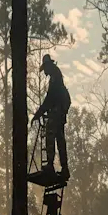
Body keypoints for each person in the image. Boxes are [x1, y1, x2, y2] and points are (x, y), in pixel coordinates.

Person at [32, 54, 71, 182]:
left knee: (50, 135)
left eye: (45, 69)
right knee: (60, 140)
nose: (45, 72)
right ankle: (64, 168)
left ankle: (50, 165)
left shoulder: (55, 76)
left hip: (57, 112)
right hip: (60, 113)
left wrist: (39, 113)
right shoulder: (57, 75)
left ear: (48, 65)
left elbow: (50, 98)